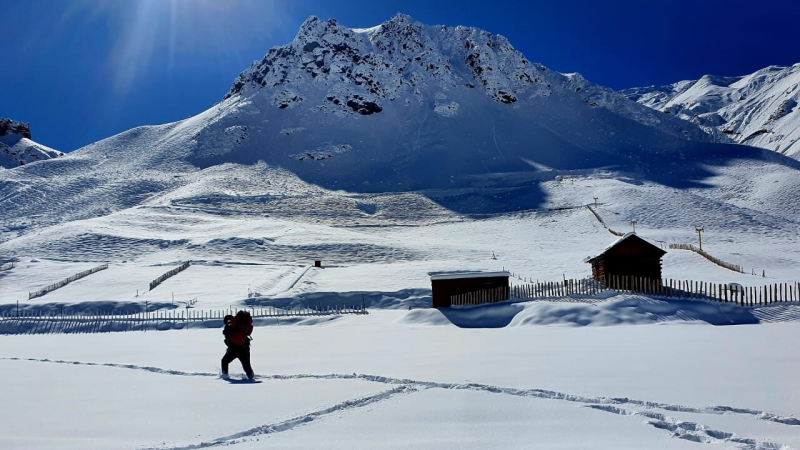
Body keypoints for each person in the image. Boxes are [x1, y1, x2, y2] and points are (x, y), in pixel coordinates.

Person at [221, 310, 255, 380]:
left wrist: (225, 330)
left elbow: (226, 334)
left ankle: (225, 377)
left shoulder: (231, 325)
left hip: (234, 348)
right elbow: (248, 333)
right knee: (247, 366)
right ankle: (251, 378)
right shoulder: (243, 324)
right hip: (245, 347)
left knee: (224, 361)